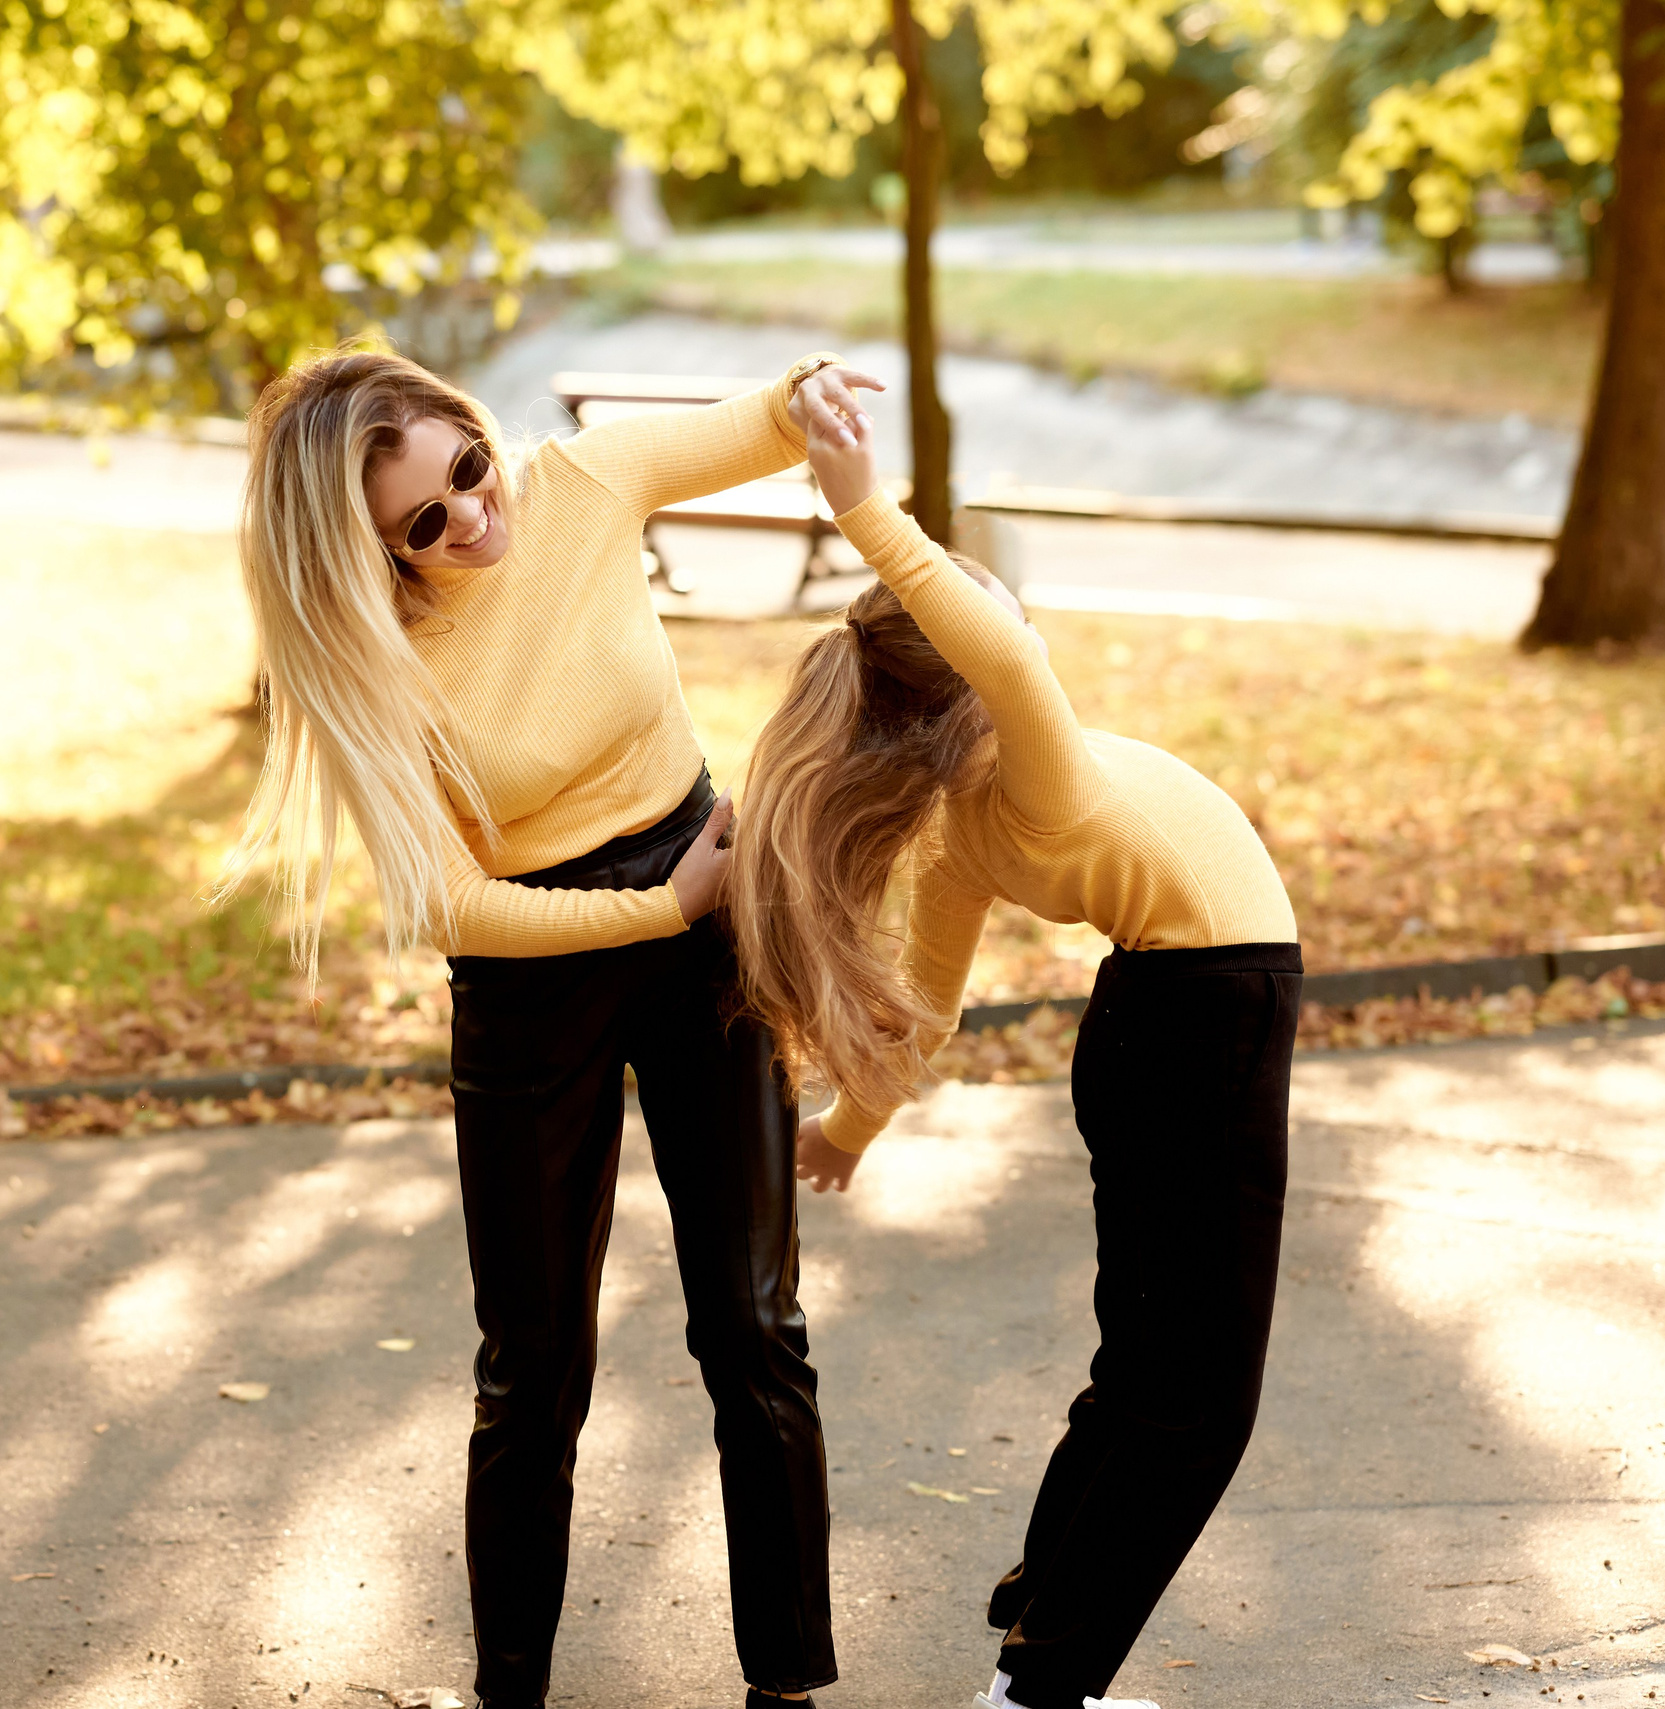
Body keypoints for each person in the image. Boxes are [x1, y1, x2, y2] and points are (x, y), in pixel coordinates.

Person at [225, 347, 883, 1709]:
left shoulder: (577, 483)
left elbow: (754, 423)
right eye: (425, 523)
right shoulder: (374, 662)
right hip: (534, 967)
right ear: (378, 553)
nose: (471, 516)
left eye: (465, 469)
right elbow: (462, 912)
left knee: (753, 1326)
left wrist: (808, 394)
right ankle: (508, 1693)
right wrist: (662, 905)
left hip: (699, 926)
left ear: (475, 429)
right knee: (536, 1368)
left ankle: (789, 1690)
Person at [726, 384, 1302, 1709]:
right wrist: (865, 509)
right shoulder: (1025, 762)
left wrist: (846, 1133)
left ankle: (1047, 1652)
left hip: (1156, 1025)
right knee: (1198, 1400)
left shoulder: (971, 822)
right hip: (1199, 1025)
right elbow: (995, 646)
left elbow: (924, 1005)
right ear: (974, 680)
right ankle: (1043, 1690)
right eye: (1006, 630)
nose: (1025, 638)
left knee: (1146, 1373)